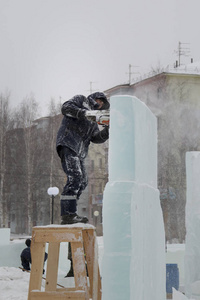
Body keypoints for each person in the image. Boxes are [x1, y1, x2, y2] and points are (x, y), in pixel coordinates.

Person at [56, 92, 110, 225]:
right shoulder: (81, 100)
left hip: (79, 151)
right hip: (68, 142)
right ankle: (67, 215)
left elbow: (95, 137)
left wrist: (108, 130)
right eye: (100, 101)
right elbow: (66, 108)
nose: (100, 104)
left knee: (83, 181)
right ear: (95, 98)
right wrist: (85, 113)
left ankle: (71, 211)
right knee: (75, 176)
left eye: (102, 104)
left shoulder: (93, 122)